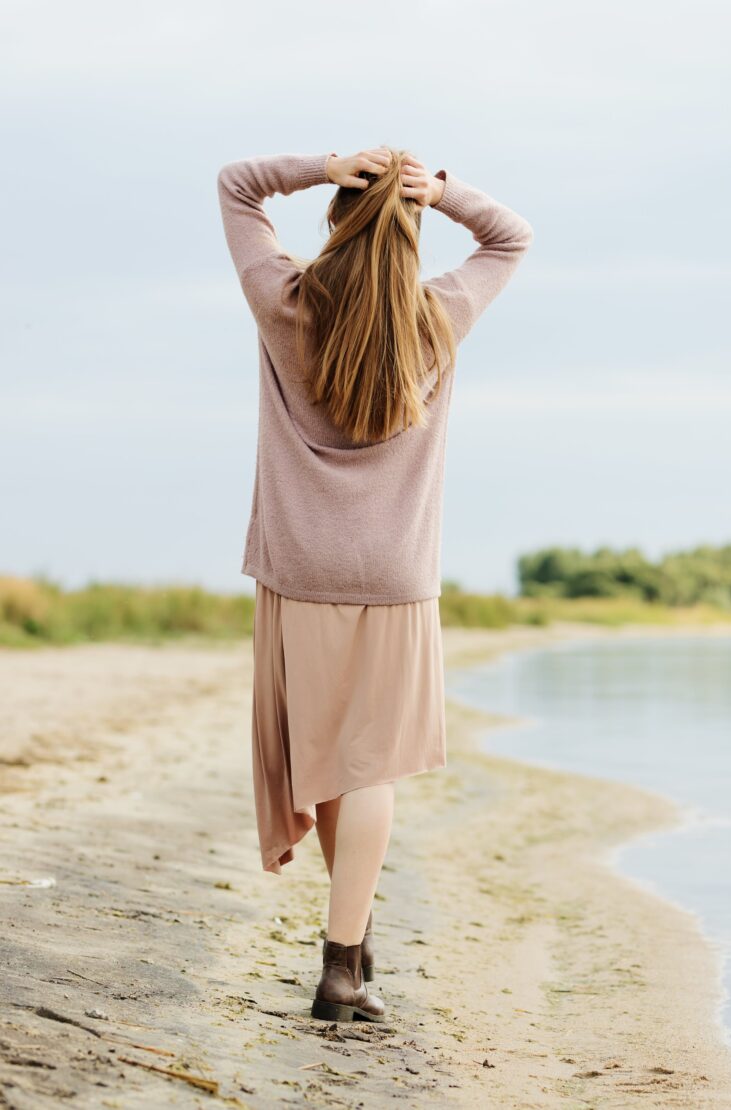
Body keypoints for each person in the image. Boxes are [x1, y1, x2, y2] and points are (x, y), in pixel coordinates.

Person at [216, 145, 533, 1023]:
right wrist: (445, 190)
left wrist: (324, 165)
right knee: (369, 763)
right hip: (394, 572)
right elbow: (511, 239)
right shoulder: (438, 318)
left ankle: (351, 950)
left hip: (299, 563)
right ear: (414, 234)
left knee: (330, 757)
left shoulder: (284, 303)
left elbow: (237, 184)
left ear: (337, 221)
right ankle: (343, 962)